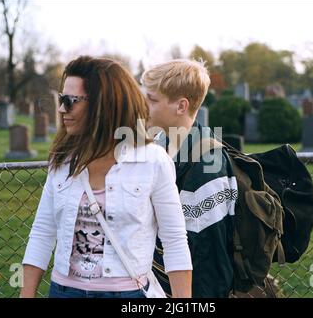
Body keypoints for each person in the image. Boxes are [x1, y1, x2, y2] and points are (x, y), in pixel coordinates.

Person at [21, 56, 192, 298]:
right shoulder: (63, 160)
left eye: (71, 101)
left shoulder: (152, 161)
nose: (61, 109)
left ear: (104, 104)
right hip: (64, 292)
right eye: (62, 100)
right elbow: (42, 232)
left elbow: (174, 241)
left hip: (126, 294)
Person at [141, 59, 237, 297]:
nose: (143, 105)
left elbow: (207, 255)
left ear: (181, 106)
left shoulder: (207, 162)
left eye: (152, 100)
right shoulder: (161, 144)